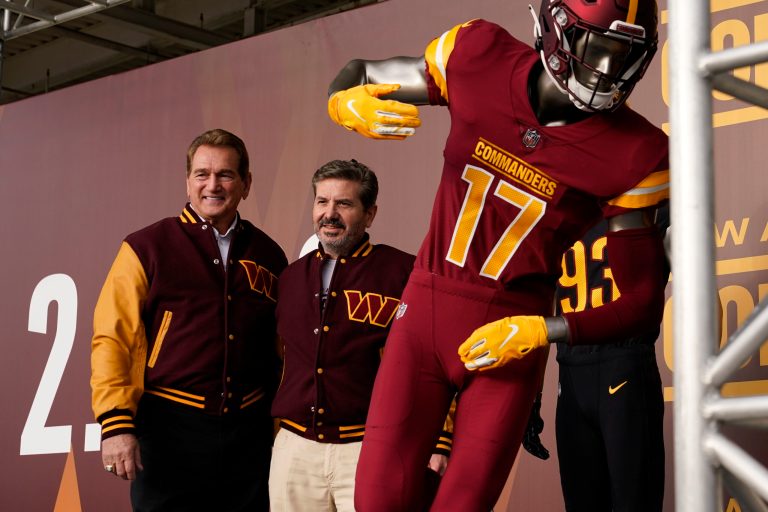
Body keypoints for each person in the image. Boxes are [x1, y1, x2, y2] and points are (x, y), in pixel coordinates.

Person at [325, 1, 669, 510]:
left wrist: (544, 330)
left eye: (625, 56)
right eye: (598, 47)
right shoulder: (477, 53)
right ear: (555, 29)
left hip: (508, 340)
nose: (608, 69)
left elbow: (640, 302)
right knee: (376, 501)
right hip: (424, 316)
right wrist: (341, 97)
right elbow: (362, 71)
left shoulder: (638, 152)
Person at [90, 128, 287, 511]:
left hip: (249, 436)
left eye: (226, 175)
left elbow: (284, 350)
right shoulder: (146, 246)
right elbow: (113, 338)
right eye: (202, 174)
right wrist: (115, 423)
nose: (212, 185)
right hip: (168, 430)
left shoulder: (270, 255)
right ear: (187, 181)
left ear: (246, 184)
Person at [269, 159, 452, 511]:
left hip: (369, 446)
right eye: (322, 201)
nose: (330, 213)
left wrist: (441, 439)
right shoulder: (290, 279)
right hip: (294, 449)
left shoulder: (403, 272)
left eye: (344, 203)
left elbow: (439, 358)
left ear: (370, 214)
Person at [554, 207, 669, 512]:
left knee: (633, 502)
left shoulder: (650, 199)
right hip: (571, 370)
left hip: (623, 362)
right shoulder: (560, 202)